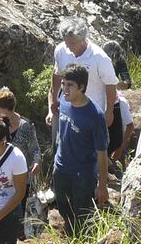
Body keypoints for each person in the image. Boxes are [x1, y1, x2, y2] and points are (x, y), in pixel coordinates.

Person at [52, 64, 109, 236]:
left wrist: (102, 186)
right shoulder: (63, 100)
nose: (64, 89)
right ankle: (70, 234)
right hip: (61, 168)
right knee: (62, 206)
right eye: (63, 84)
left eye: (69, 85)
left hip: (83, 175)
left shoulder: (95, 116)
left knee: (83, 215)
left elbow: (102, 153)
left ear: (82, 87)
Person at [48, 17, 119, 154]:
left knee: (89, 150)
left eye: (72, 44)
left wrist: (109, 111)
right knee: (62, 146)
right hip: (66, 109)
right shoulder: (61, 50)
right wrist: (54, 98)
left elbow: (110, 84)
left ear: (83, 39)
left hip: (91, 111)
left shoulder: (99, 58)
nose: (68, 47)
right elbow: (57, 72)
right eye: (66, 42)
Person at [0, 88, 41, 215]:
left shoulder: (26, 126)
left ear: (11, 110)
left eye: (0, 114)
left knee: (17, 215)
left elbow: (35, 149)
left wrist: (37, 162)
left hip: (19, 180)